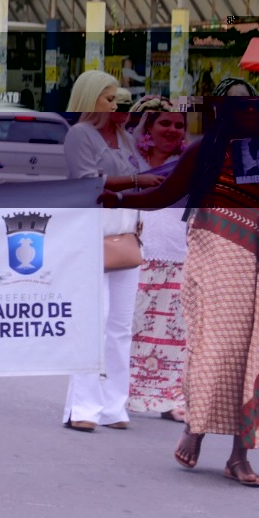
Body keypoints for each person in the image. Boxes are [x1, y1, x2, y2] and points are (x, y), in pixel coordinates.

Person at [107, 96, 259, 486]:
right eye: (243, 107)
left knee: (258, 347)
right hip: (215, 247)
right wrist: (115, 198)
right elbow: (164, 195)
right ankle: (197, 427)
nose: (251, 113)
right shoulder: (209, 148)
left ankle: (239, 455)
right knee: (217, 344)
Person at [61, 70, 162, 434]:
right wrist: (136, 181)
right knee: (93, 322)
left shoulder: (126, 137)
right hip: (90, 235)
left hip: (126, 235)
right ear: (91, 100)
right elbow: (87, 181)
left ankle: (114, 404)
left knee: (120, 326)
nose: (117, 105)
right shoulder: (78, 135)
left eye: (120, 98)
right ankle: (82, 406)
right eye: (109, 98)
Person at [125, 101, 190, 422]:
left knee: (174, 335)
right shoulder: (129, 162)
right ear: (148, 127)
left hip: (179, 256)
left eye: (179, 125)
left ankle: (171, 398)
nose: (172, 130)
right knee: (131, 327)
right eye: (165, 123)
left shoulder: (190, 164)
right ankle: (122, 393)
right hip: (135, 255)